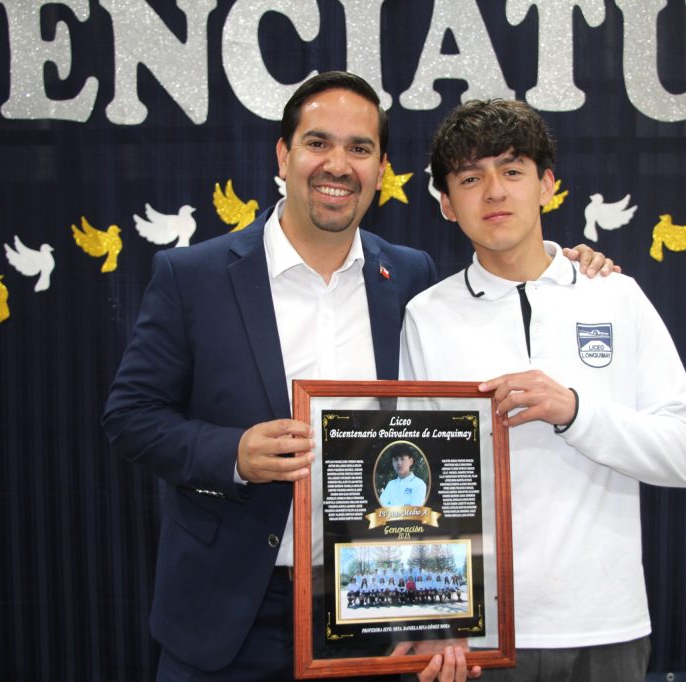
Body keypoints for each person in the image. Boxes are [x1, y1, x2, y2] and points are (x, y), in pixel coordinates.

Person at [103, 70, 615, 682]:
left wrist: (570, 263)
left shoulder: (412, 278)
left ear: (381, 169)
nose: (337, 164)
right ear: (284, 155)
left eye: (360, 148)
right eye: (318, 143)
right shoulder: (194, 276)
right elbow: (131, 417)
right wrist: (233, 452)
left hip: (377, 609)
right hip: (226, 616)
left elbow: (455, 410)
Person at [399, 99, 686, 681]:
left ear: (547, 184)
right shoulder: (425, 315)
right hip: (482, 636)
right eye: (470, 178)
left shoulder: (616, 296)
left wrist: (575, 411)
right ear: (445, 203)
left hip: (607, 627)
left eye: (512, 171)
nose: (494, 192)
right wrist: (435, 618)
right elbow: (420, 490)